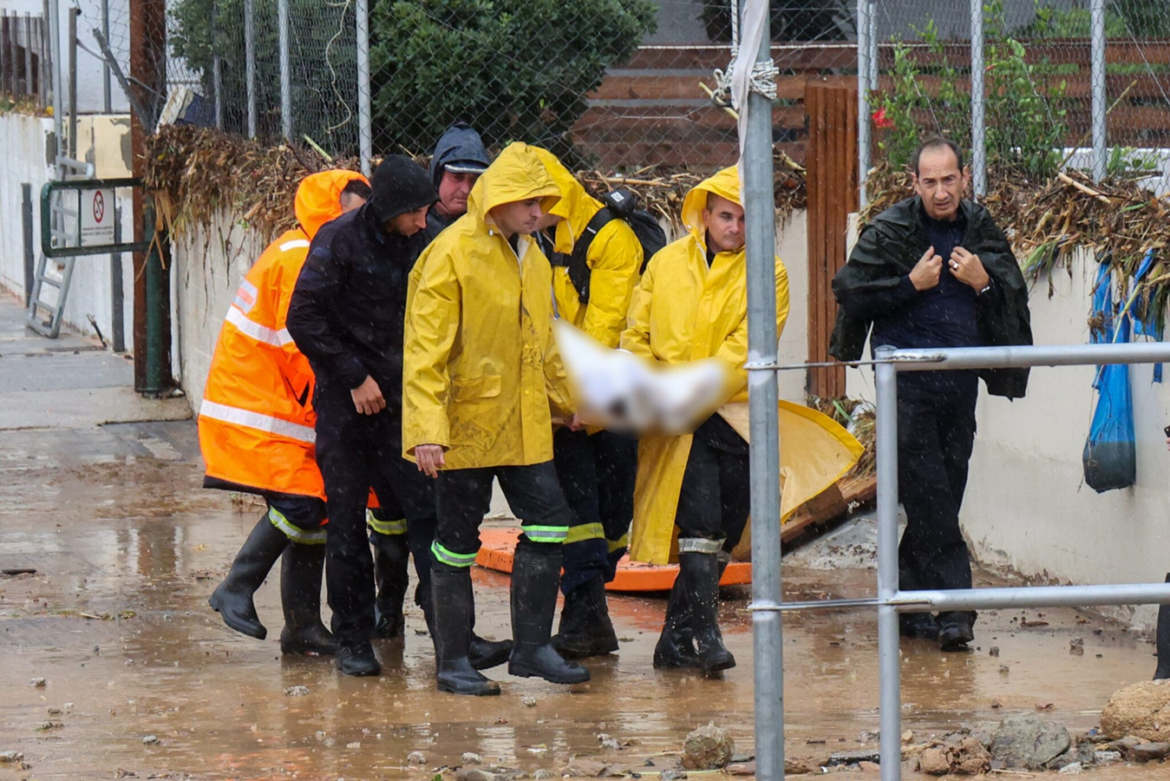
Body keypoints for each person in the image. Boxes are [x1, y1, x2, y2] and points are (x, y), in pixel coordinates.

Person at [830, 137, 1032, 652]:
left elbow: (1011, 300)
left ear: (964, 179)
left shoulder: (981, 229)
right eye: (930, 181)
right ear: (914, 183)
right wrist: (910, 284)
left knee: (942, 492)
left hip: (959, 383)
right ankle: (956, 610)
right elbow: (851, 291)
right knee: (931, 491)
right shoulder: (892, 229)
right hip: (906, 385)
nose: (941, 191)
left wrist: (983, 284)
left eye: (949, 180)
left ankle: (909, 600)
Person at [403, 142, 591, 696]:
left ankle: (531, 648)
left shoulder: (532, 255)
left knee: (550, 522)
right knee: (456, 541)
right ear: (501, 200)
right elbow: (425, 350)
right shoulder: (452, 253)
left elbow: (544, 339)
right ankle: (453, 661)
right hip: (464, 425)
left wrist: (568, 400)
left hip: (525, 422)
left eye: (543, 203)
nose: (538, 213)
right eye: (529, 202)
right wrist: (426, 431)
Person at [621, 166, 790, 675]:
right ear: (705, 215)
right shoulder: (666, 263)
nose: (735, 227)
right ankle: (707, 635)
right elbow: (636, 334)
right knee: (699, 521)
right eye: (726, 216)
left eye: (744, 218)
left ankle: (673, 640)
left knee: (726, 528)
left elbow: (749, 347)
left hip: (734, 416)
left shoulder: (770, 273)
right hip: (678, 418)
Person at [202, 170, 369, 657]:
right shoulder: (301, 258)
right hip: (261, 411)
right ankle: (236, 586)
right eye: (353, 213)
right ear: (331, 212)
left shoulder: (303, 250)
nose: (360, 223)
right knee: (302, 505)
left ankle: (302, 628)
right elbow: (302, 345)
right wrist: (343, 392)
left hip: (269, 408)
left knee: (314, 508)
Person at [285, 156, 441, 677]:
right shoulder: (339, 240)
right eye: (414, 212)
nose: (422, 221)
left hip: (404, 404)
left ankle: (451, 637)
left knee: (428, 516)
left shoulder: (426, 240)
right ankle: (353, 638)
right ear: (389, 209)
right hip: (346, 406)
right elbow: (303, 316)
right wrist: (353, 376)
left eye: (426, 211)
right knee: (347, 523)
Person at [529, 147, 643, 659]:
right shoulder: (532, 237)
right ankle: (585, 613)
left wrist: (582, 397)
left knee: (612, 513)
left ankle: (590, 610)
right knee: (578, 508)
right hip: (564, 401)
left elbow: (606, 326)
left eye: (538, 200)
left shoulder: (610, 238)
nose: (531, 210)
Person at [424, 122, 491, 242]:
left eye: (474, 179)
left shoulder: (492, 224)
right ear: (437, 176)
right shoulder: (413, 224)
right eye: (457, 177)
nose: (466, 189)